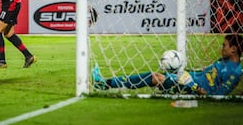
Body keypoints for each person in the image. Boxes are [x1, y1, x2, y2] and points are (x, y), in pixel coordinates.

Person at [92, 34, 243, 95]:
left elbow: (218, 96)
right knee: (154, 77)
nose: (221, 48)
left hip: (191, 85)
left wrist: (193, 85)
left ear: (234, 50)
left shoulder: (235, 72)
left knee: (153, 77)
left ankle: (104, 84)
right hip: (188, 78)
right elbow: (205, 75)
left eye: (225, 46)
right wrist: (187, 73)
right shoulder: (222, 61)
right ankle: (105, 83)